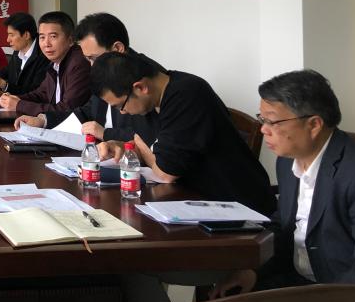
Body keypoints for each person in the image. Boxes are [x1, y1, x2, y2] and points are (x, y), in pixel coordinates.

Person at [211, 69, 355, 297]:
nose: (263, 129)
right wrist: (253, 272)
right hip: (295, 280)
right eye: (262, 119)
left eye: (272, 121)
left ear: (314, 124)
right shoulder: (287, 161)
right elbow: (284, 227)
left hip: (342, 294)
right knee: (217, 301)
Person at [90, 51, 275, 214]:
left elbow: (166, 173)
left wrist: (141, 147)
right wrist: (124, 147)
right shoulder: (149, 102)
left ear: (141, 87)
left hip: (238, 208)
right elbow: (151, 146)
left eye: (120, 106)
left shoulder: (188, 94)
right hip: (192, 200)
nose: (122, 112)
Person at [17, 12, 158, 145]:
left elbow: (150, 135)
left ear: (117, 49)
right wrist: (43, 120)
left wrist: (105, 133)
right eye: (87, 59)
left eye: (93, 58)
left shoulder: (146, 77)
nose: (91, 66)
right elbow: (88, 111)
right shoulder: (108, 70)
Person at [1, 11, 90, 118]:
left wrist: (19, 105)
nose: (46, 44)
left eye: (53, 36)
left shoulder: (78, 63)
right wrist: (17, 99)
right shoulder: (56, 61)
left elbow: (67, 110)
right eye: (42, 37)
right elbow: (42, 94)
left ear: (70, 40)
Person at [0, 11, 49, 94]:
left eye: (12, 35)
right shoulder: (18, 51)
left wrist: (3, 84)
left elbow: (35, 93)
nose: (8, 40)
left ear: (26, 35)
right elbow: (7, 71)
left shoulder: (44, 56)